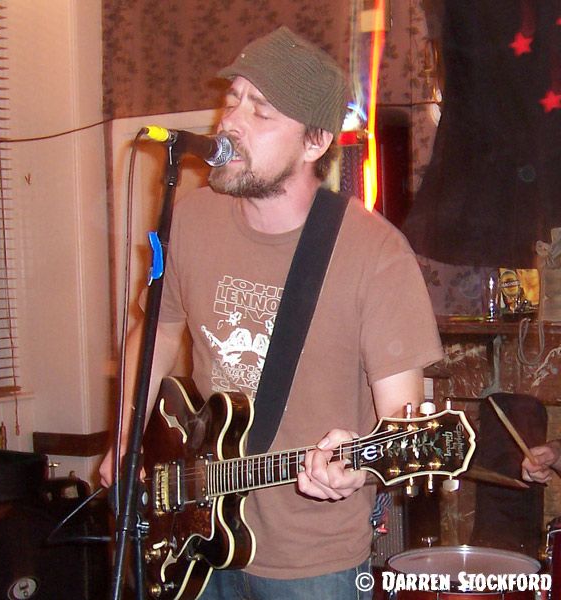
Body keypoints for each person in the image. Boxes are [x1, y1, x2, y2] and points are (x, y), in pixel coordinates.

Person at [99, 26, 444, 599]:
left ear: (315, 142)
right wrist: (126, 436)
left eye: (260, 111)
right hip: (194, 530)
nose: (229, 122)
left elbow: (403, 421)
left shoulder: (373, 253)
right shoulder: (189, 219)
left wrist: (357, 465)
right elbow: (154, 334)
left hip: (314, 558)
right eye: (232, 100)